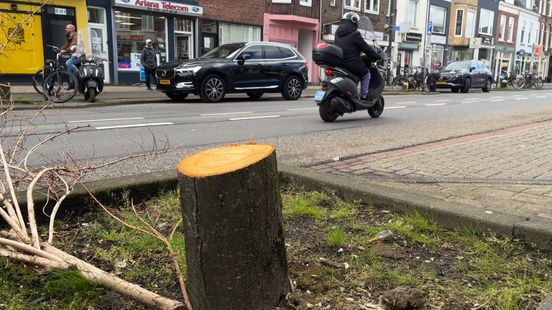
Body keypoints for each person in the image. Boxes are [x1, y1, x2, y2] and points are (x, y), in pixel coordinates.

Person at [334, 12, 380, 101]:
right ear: (354, 21)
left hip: (339, 62)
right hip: (351, 63)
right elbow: (366, 48)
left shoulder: (337, 32)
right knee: (366, 74)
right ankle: (363, 96)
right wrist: (376, 56)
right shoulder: (355, 34)